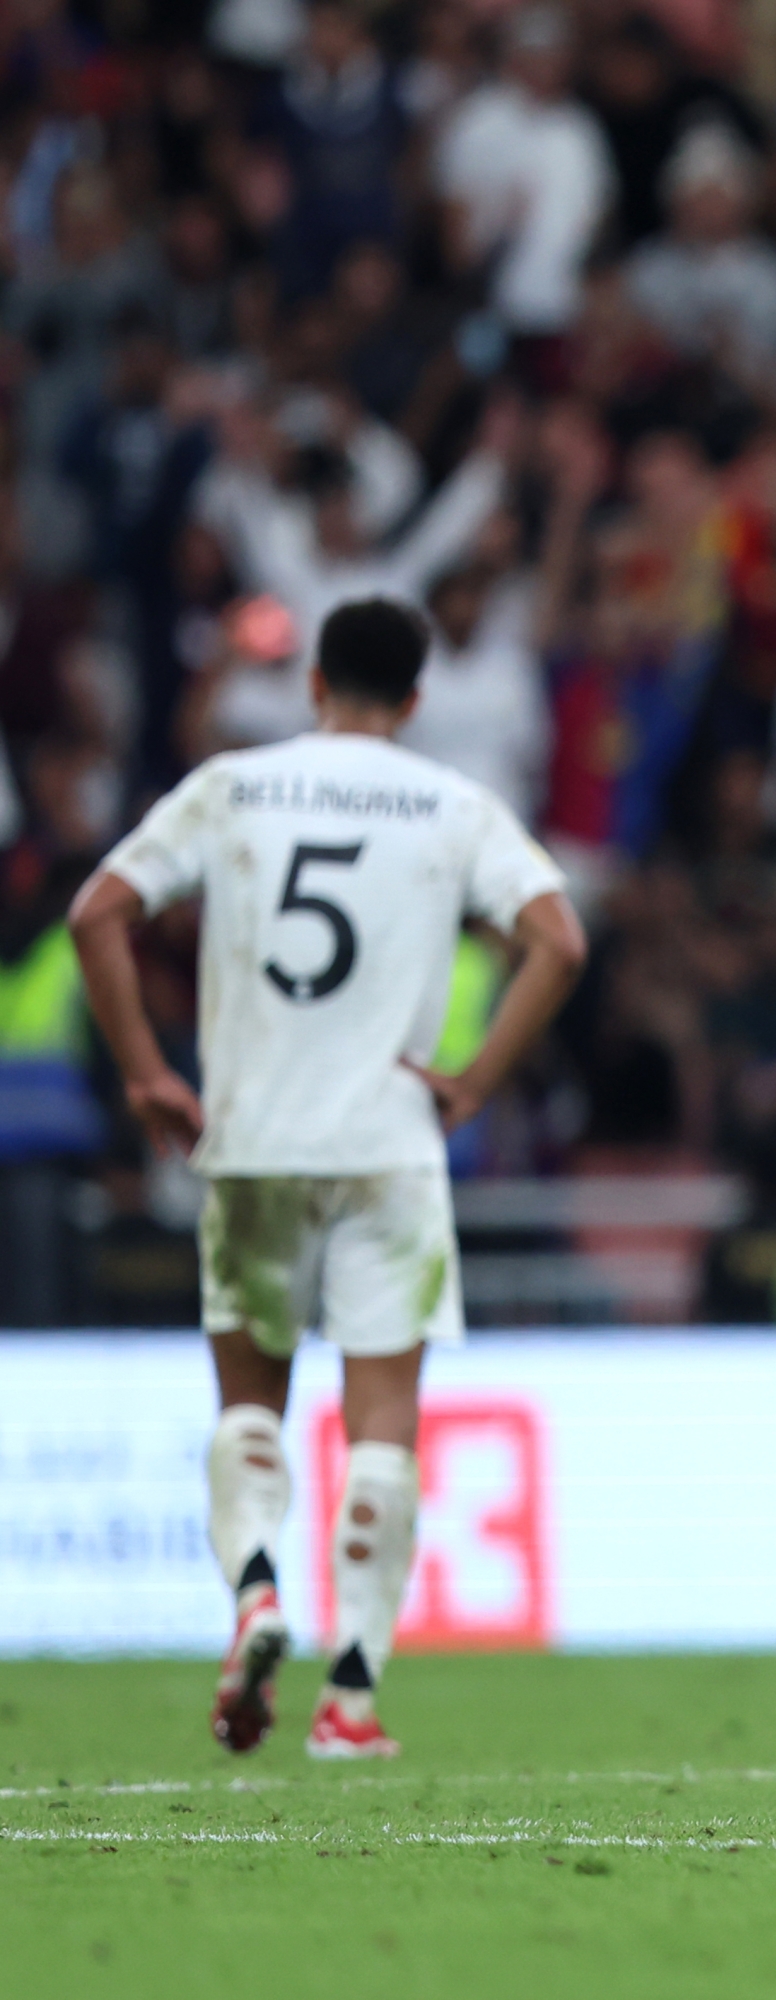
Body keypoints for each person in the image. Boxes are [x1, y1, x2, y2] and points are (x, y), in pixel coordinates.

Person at [66, 598, 587, 1760]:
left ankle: (256, 1594)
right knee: (383, 1421)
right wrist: (477, 1078)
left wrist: (150, 1070)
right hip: (391, 1145)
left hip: (253, 1138)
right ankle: (351, 1693)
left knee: (251, 1402)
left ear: (313, 683)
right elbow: (560, 937)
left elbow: (97, 909)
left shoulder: (237, 784)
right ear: (412, 700)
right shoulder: (453, 804)